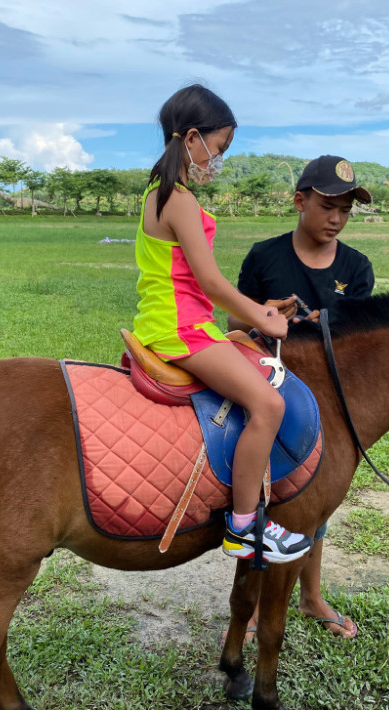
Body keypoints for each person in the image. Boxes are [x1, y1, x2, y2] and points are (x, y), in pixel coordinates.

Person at [133, 84, 313, 565]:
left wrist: (260, 310)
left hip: (174, 322)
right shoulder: (181, 200)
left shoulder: (157, 193)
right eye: (218, 148)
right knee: (268, 404)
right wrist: (261, 318)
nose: (218, 159)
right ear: (192, 138)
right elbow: (210, 282)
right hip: (182, 331)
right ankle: (243, 526)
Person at [226, 155, 375, 640]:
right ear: (300, 201)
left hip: (330, 403)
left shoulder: (357, 268)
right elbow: (234, 327)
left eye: (346, 210)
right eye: (328, 205)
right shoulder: (264, 256)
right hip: (265, 392)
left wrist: (314, 327)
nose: (336, 218)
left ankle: (311, 597)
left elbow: (359, 343)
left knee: (319, 505)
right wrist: (265, 315)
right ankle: (250, 607)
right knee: (264, 498)